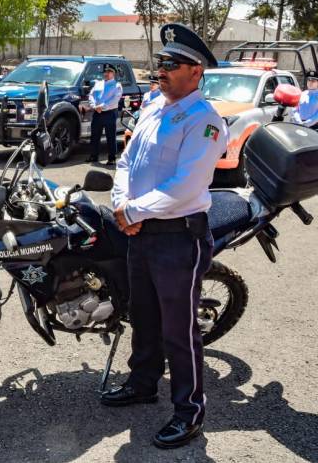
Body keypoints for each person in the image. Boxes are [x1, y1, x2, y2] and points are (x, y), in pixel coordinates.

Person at [103, 23, 228, 450]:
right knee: (143, 317)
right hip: (140, 232)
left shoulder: (205, 120)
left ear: (196, 71)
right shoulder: (154, 105)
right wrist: (121, 203)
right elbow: (127, 160)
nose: (161, 70)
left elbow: (186, 184)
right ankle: (142, 384)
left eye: (171, 64)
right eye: (160, 63)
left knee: (179, 330)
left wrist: (131, 212)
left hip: (178, 238)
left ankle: (189, 410)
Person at [88, 63, 123, 166]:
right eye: (105, 72)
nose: (106, 74)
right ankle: (93, 156)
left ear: (114, 74)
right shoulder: (98, 83)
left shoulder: (117, 85)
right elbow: (91, 95)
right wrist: (94, 106)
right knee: (94, 135)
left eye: (109, 72)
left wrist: (101, 107)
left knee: (110, 136)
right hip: (97, 113)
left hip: (109, 113)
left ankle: (111, 158)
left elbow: (114, 100)